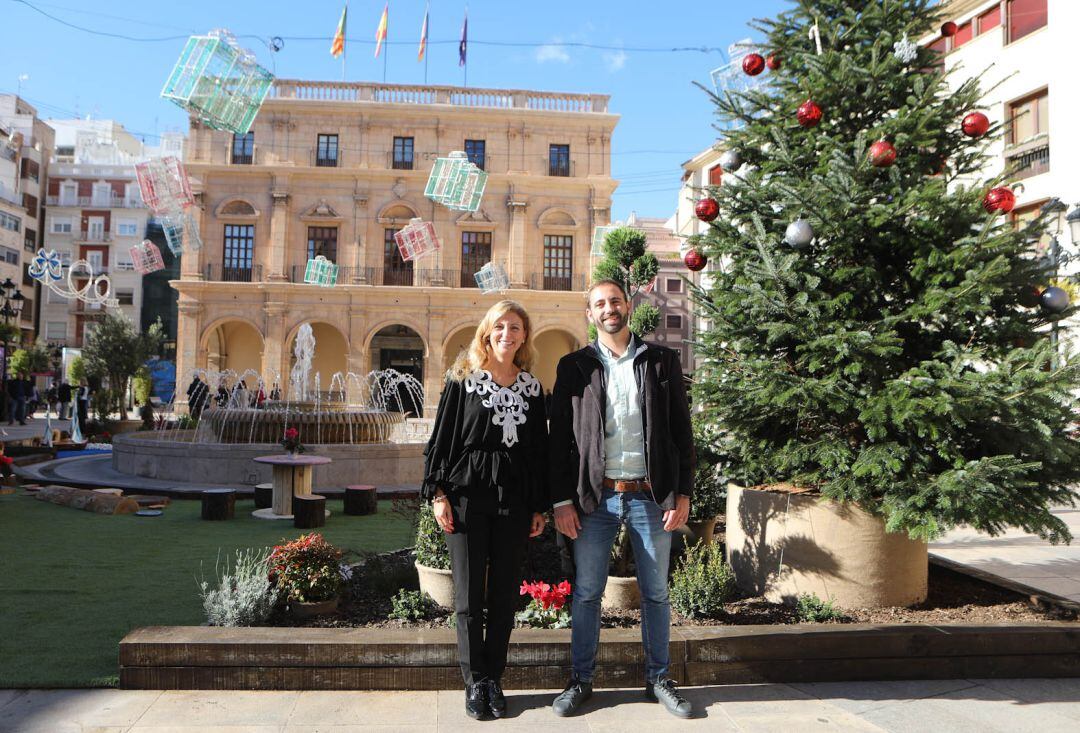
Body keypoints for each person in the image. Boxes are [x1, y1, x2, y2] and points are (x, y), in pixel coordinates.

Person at [548, 279, 695, 719]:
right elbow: (559, 442)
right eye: (599, 304)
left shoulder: (661, 361)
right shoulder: (573, 366)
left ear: (628, 306)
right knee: (588, 593)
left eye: (615, 301)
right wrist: (560, 501)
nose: (609, 308)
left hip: (651, 497)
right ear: (589, 314)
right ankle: (581, 680)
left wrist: (682, 492)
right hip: (594, 498)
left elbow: (680, 433)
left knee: (655, 593)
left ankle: (658, 679)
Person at [422, 300, 549, 720]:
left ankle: (494, 677)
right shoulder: (463, 381)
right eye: (500, 327)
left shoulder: (532, 388)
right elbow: (443, 439)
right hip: (466, 495)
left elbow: (537, 454)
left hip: (513, 500)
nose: (507, 334)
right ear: (486, 332)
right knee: (469, 595)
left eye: (515, 327)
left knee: (503, 593)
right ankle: (474, 680)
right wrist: (438, 494)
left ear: (524, 336)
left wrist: (538, 507)